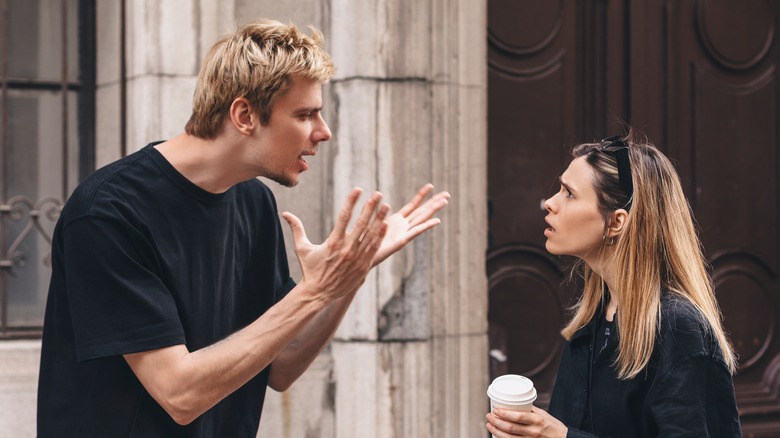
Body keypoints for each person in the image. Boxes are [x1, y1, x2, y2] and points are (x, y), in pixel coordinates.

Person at [37, 19, 449, 437]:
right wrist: (315, 290)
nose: (324, 133)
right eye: (306, 114)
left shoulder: (253, 202)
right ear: (245, 114)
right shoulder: (108, 213)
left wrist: (350, 272)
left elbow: (282, 365)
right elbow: (179, 394)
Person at [486, 131, 741, 437]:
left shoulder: (679, 329)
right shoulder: (594, 318)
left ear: (616, 222)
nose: (550, 203)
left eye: (569, 193)